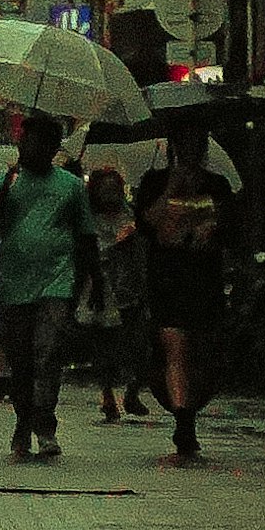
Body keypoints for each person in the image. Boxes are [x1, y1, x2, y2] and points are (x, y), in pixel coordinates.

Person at [0, 109, 93, 461]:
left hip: (58, 282)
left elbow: (86, 238)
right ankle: (23, 421)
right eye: (28, 140)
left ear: (54, 148)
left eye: (42, 142)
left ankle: (46, 424)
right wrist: (4, 189)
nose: (33, 147)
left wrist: (88, 284)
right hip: (16, 284)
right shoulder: (8, 181)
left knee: (48, 353)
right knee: (21, 359)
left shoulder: (70, 186)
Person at [133, 121, 235, 461]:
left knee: (202, 352)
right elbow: (146, 224)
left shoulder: (217, 186)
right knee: (174, 346)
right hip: (168, 278)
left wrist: (210, 232)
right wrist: (171, 188)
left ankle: (190, 405)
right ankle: (183, 418)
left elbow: (228, 228)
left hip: (204, 279)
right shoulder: (154, 182)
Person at [77, 162, 151, 426]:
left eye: (113, 189)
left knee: (139, 344)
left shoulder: (131, 213)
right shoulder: (89, 218)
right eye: (104, 189)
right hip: (101, 286)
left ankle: (132, 392)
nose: (109, 195)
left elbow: (143, 249)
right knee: (103, 346)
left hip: (129, 285)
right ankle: (107, 394)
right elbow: (88, 249)